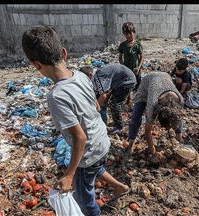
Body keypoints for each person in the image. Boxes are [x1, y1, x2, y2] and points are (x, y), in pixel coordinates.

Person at [21, 25, 129, 216]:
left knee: (83, 200)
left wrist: (69, 175)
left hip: (88, 152)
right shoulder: (80, 76)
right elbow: (96, 107)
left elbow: (80, 138)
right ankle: (119, 186)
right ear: (64, 53)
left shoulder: (56, 96)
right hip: (102, 141)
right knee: (96, 167)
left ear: (35, 64)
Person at [127, 72, 184, 163]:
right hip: (147, 83)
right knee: (135, 118)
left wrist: (178, 142)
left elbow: (178, 119)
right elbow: (147, 132)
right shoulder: (152, 104)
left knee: (177, 119)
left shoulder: (180, 100)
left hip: (165, 77)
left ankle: (180, 140)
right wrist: (153, 153)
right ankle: (131, 143)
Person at [80, 64, 136, 134]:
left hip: (126, 82)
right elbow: (99, 92)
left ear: (90, 74)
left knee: (114, 104)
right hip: (119, 81)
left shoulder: (99, 76)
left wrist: (94, 108)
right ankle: (116, 121)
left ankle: (120, 126)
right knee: (107, 102)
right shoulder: (97, 74)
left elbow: (103, 96)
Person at [118, 22, 144, 105]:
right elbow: (120, 58)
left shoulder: (137, 45)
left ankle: (138, 100)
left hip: (135, 69)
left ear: (134, 32)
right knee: (127, 85)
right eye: (126, 34)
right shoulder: (122, 45)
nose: (128, 36)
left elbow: (141, 57)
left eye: (130, 33)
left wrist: (138, 67)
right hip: (127, 70)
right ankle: (129, 99)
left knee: (138, 86)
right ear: (124, 34)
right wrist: (123, 67)